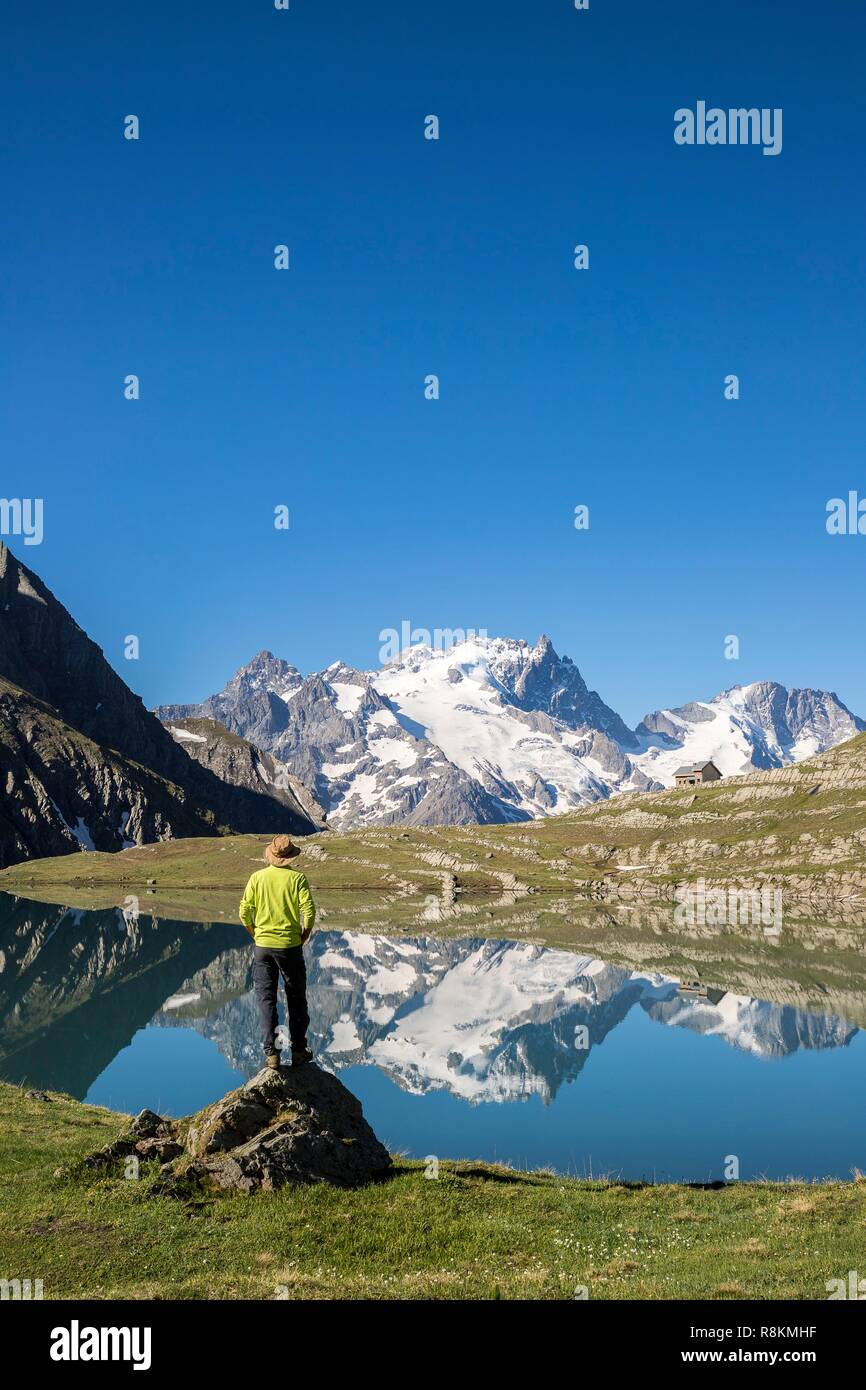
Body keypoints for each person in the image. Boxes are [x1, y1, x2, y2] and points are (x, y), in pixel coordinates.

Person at [239, 835, 316, 1070]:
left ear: (271, 856)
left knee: (266, 1000)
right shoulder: (298, 879)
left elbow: (244, 912)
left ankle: (272, 1055)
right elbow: (309, 912)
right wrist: (304, 934)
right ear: (291, 857)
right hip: (290, 947)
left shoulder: (257, 878)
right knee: (296, 997)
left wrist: (256, 934)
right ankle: (299, 1051)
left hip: (263, 947)